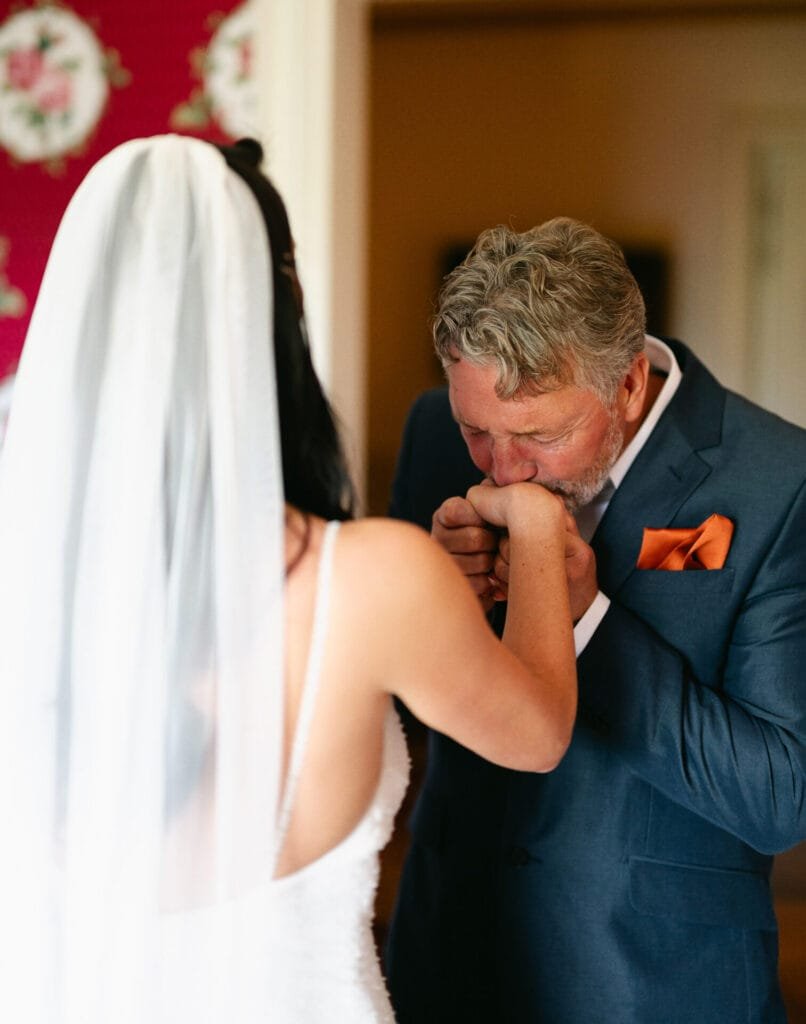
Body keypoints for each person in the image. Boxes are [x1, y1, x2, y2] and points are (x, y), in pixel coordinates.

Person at [0, 136, 577, 1023]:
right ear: (277, 313)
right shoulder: (375, 580)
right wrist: (536, 525)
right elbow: (536, 733)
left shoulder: (24, 588)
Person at [386, 217, 806, 1024]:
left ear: (626, 388)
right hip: (448, 961)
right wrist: (431, 608)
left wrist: (589, 621)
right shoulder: (428, 436)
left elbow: (781, 797)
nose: (503, 469)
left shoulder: (782, 486)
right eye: (478, 430)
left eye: (542, 435)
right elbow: (394, 717)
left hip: (655, 986)